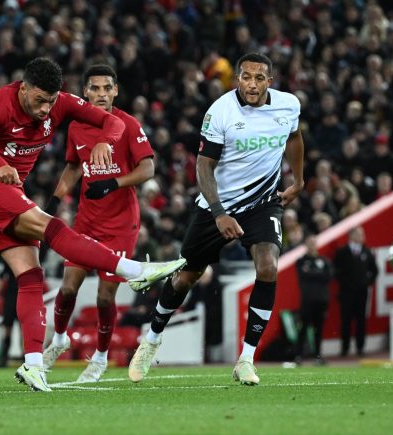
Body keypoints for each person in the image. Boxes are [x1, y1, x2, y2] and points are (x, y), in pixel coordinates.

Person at [0, 57, 185, 391]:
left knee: (31, 276)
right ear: (23, 89)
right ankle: (136, 271)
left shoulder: (60, 104)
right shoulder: (0, 104)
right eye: (39, 100)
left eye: (51, 101)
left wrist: (106, 140)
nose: (46, 108)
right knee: (53, 228)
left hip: (7, 193)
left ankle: (33, 365)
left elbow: (111, 123)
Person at [128, 53, 304, 386]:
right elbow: (203, 166)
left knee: (267, 266)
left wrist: (299, 180)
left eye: (258, 78)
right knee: (186, 277)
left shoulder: (288, 106)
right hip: (216, 205)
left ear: (271, 80)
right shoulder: (220, 111)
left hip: (263, 203)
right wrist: (220, 212)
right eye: (246, 77)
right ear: (237, 78)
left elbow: (294, 138)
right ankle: (150, 339)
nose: (251, 84)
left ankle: (246, 359)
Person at [41, 65, 155, 383]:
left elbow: (147, 169)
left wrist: (114, 183)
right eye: (95, 88)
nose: (102, 94)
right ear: (85, 92)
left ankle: (101, 359)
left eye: (108, 88)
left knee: (105, 297)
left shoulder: (127, 125)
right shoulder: (77, 125)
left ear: (116, 91)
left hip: (120, 224)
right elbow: (73, 168)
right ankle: (60, 339)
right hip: (86, 221)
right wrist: (53, 203)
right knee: (67, 288)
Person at [334, 226, 378, 357]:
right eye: (359, 234)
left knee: (361, 321)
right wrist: (345, 283)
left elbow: (375, 270)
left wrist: (367, 283)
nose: (362, 236)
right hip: (346, 293)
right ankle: (345, 348)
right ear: (351, 236)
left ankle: (360, 347)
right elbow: (336, 271)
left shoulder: (367, 251)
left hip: (362, 293)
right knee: (345, 321)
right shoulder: (342, 252)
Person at [294, 234, 332, 365]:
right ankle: (298, 356)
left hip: (321, 300)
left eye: (314, 243)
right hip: (307, 300)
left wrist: (312, 272)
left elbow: (328, 276)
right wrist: (318, 273)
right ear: (306, 245)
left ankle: (318, 356)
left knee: (319, 329)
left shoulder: (325, 261)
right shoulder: (301, 261)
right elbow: (304, 275)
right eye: (309, 243)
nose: (312, 245)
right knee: (303, 328)